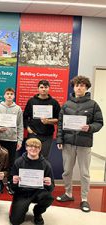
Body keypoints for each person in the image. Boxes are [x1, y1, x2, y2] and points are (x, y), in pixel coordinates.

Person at [56, 75, 103, 213]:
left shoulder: (93, 105)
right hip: (68, 144)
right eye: (77, 85)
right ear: (74, 87)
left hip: (84, 144)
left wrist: (90, 127)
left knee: (84, 173)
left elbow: (99, 122)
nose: (79, 87)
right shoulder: (66, 104)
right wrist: (60, 140)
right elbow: (60, 124)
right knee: (67, 171)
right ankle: (68, 194)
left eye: (82, 85)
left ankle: (84, 199)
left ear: (86, 87)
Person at [9, 138, 54, 225]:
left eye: (36, 147)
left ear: (40, 149)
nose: (33, 149)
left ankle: (37, 213)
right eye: (31, 146)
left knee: (48, 197)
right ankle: (20, 207)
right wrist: (14, 182)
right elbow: (11, 186)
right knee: (15, 221)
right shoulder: (18, 162)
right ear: (26, 147)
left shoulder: (46, 164)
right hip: (22, 193)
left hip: (38, 192)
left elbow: (52, 187)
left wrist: (49, 184)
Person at [23, 80, 60, 159]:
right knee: (31, 156)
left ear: (49, 88)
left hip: (47, 136)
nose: (43, 89)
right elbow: (25, 117)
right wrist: (28, 128)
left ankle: (42, 172)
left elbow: (59, 119)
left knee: (44, 158)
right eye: (41, 87)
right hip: (33, 134)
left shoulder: (54, 102)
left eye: (46, 87)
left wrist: (49, 121)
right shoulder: (31, 101)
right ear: (38, 88)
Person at [0, 88, 23, 178]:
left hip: (12, 139)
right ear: (4, 96)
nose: (9, 95)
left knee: (11, 161)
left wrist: (20, 140)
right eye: (7, 93)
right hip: (0, 138)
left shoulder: (18, 109)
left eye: (11, 94)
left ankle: (10, 181)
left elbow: (20, 125)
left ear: (14, 96)